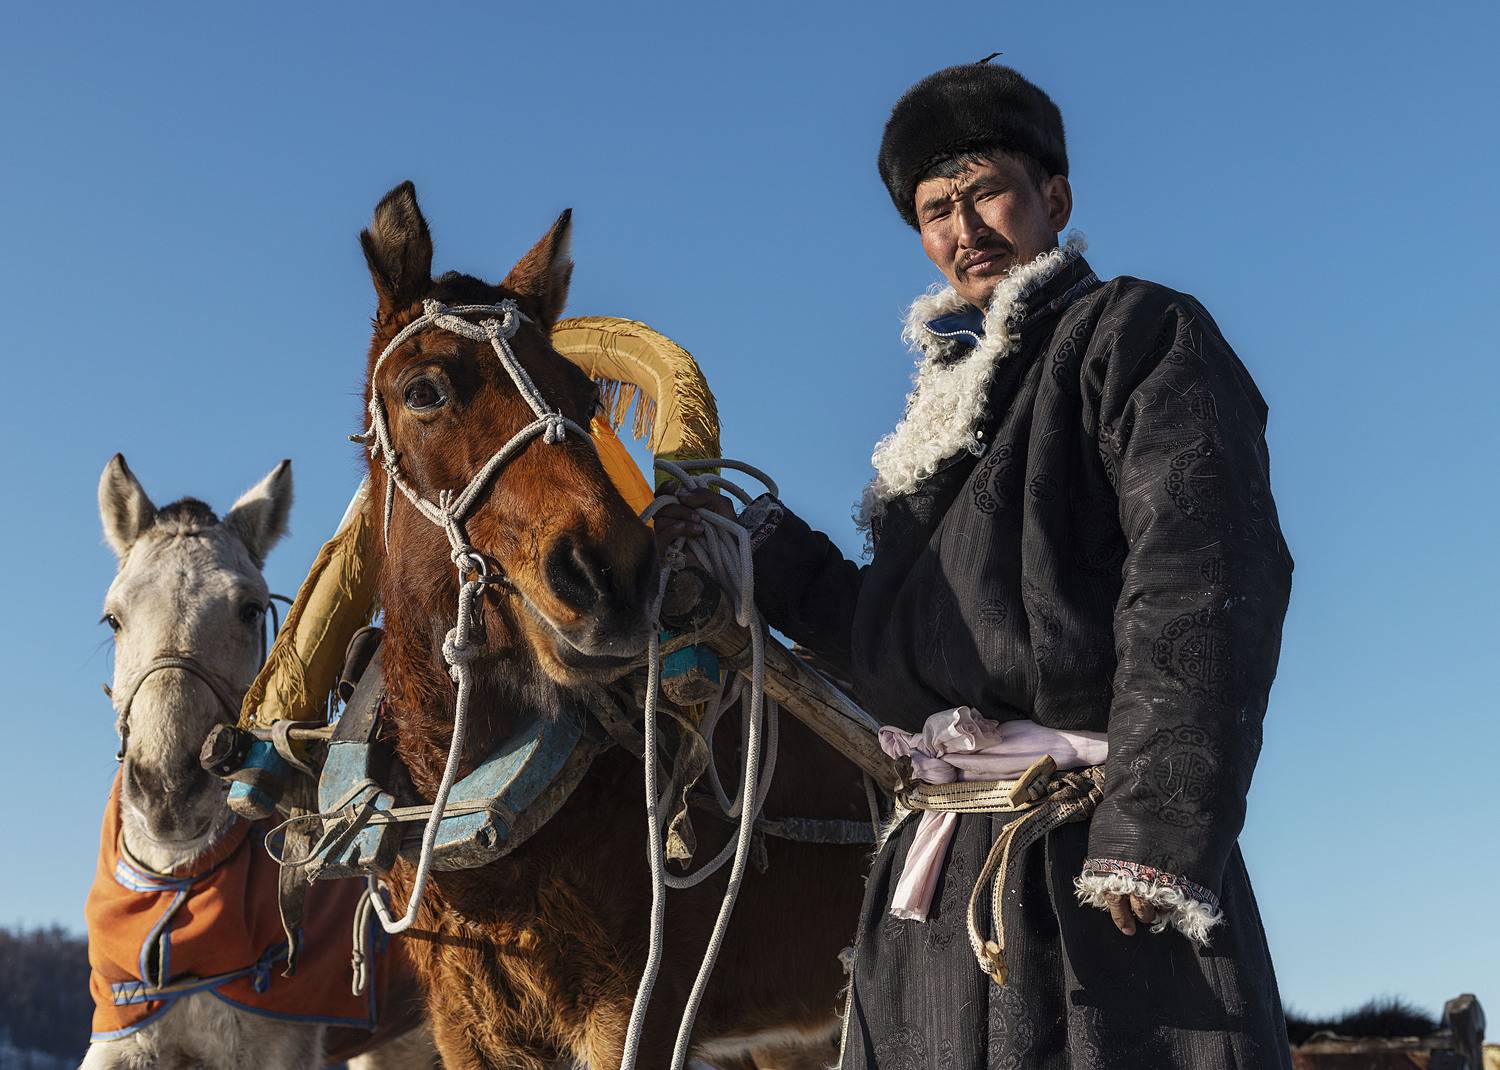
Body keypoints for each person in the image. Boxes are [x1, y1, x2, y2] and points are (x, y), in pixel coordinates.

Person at [657, 60, 1295, 1069]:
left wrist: (1158, 824)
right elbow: (913, 647)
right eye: (934, 207)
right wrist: (757, 552)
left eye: (987, 189)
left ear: (1055, 196)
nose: (964, 227)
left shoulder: (1136, 335)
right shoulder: (944, 409)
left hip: (1095, 866)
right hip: (937, 886)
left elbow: (1202, 570)